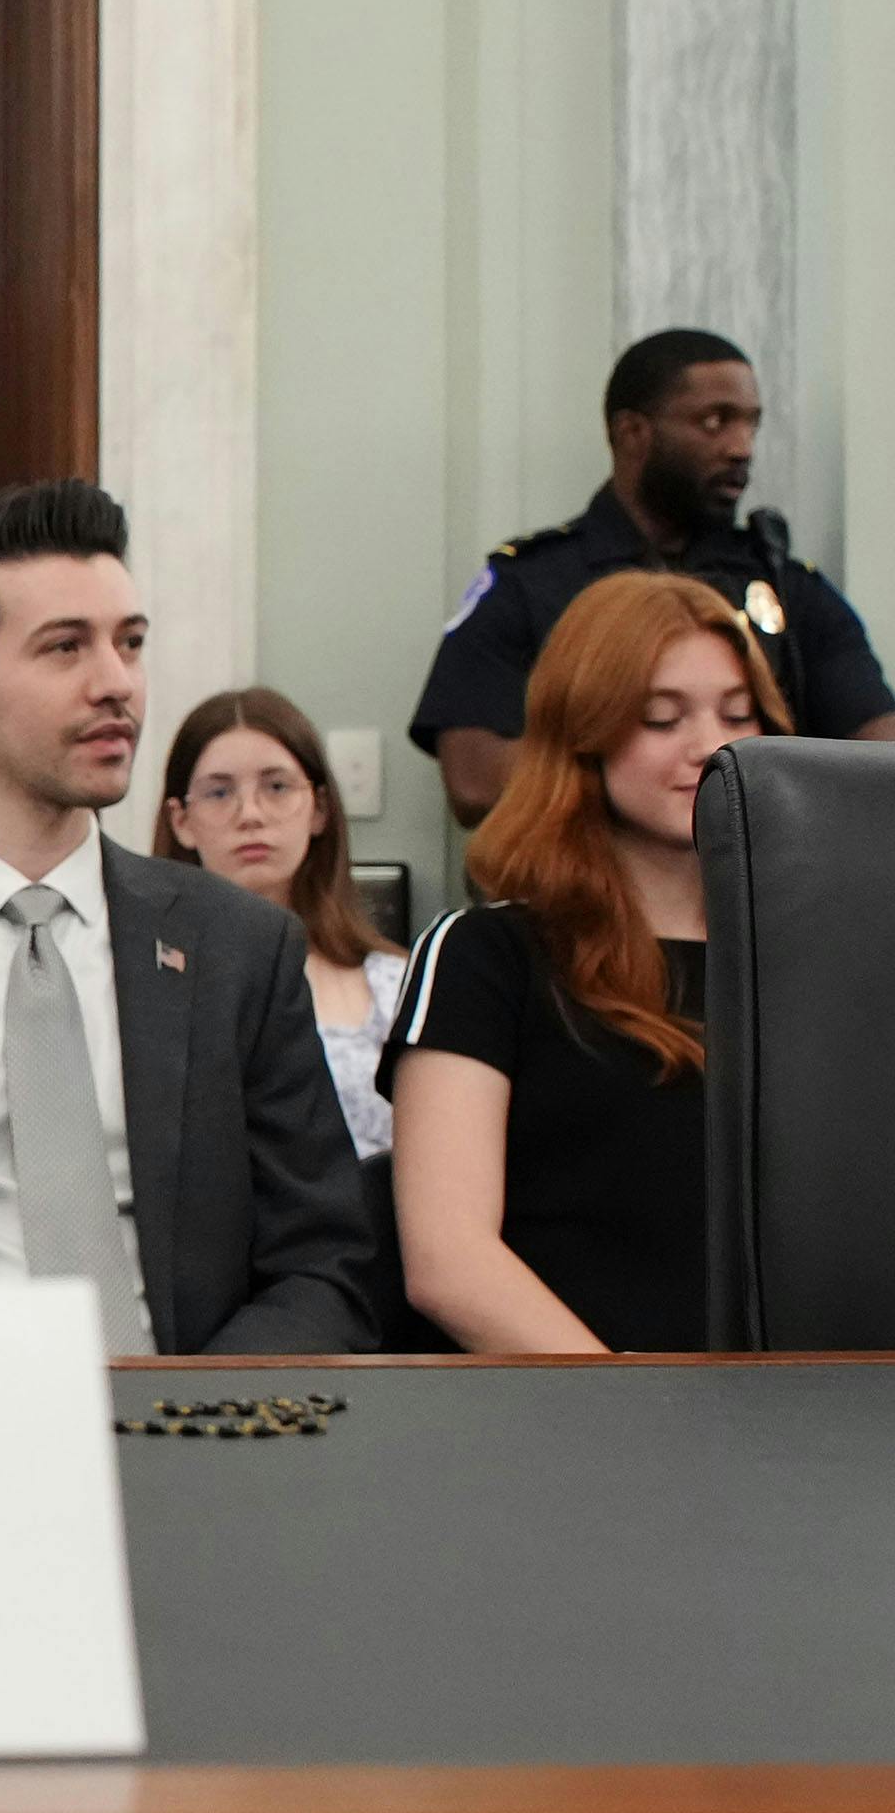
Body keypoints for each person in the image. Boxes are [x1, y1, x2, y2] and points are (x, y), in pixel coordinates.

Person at [0, 479, 374, 1355]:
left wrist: (195, 1413)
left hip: (190, 1413)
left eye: (130, 643)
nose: (116, 683)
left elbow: (324, 1262)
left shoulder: (237, 946)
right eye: (66, 647)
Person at [383, 572, 782, 1354]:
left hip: (810, 1402)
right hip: (575, 1406)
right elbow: (449, 1259)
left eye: (739, 714)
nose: (711, 745)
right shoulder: (484, 956)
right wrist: (626, 1401)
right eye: (663, 717)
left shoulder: (808, 960)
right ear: (585, 733)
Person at [412, 327, 894, 825]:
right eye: (714, 422)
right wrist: (639, 765)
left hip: (760, 868)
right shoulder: (532, 582)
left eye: (751, 424)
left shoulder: (784, 584)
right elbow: (473, 783)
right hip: (582, 869)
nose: (741, 447)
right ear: (632, 433)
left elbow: (880, 759)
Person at [154, 690, 408, 1156]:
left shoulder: (396, 988)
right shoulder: (146, 983)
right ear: (181, 820)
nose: (250, 815)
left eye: (276, 787)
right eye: (219, 792)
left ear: (319, 808)